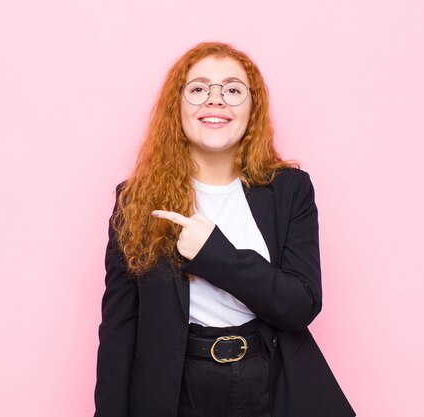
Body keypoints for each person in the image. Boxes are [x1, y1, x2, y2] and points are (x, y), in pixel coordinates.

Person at [94, 42, 355, 417]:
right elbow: (119, 328)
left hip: (270, 381)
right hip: (174, 389)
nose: (215, 101)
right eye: (198, 89)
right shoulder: (137, 199)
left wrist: (214, 255)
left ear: (252, 109)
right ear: (177, 106)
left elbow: (301, 305)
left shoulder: (290, 190)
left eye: (232, 90)